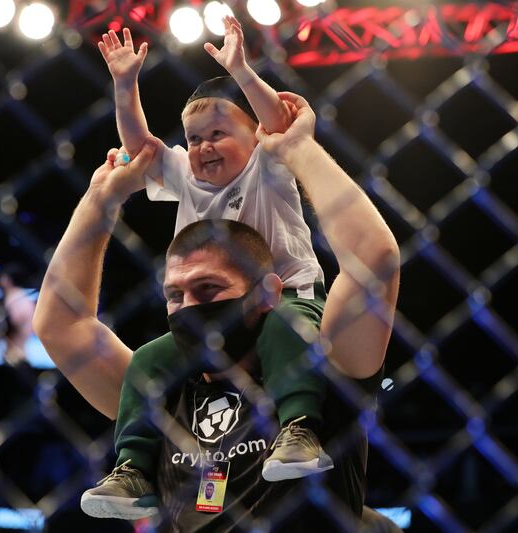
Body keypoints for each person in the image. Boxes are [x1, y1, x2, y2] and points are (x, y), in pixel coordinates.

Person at [34, 92, 400, 531]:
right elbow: (61, 323)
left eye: (208, 289)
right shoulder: (161, 389)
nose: (188, 307)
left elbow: (373, 260)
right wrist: (101, 200)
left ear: (267, 293)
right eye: (175, 295)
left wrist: (296, 148)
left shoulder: (324, 360)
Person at [97, 16, 334, 506]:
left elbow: (278, 122)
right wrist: (125, 85)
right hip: (213, 310)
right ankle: (132, 469)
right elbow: (139, 149)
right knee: (147, 358)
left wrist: (243, 72)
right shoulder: (185, 173)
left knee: (286, 328)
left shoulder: (267, 163)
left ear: (253, 138)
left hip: (286, 296)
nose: (204, 146)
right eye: (195, 137)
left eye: (218, 133)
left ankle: (300, 431)